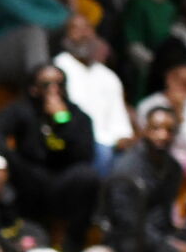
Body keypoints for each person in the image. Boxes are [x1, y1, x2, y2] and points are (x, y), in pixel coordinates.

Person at [0, 61, 101, 248]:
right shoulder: (22, 110)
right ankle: (10, 223)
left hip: (63, 180)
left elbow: (84, 154)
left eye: (59, 84)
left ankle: (73, 247)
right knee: (4, 157)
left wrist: (62, 120)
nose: (54, 90)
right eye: (47, 85)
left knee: (88, 176)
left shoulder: (77, 115)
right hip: (30, 179)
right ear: (33, 88)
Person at [101, 104, 186, 252]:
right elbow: (127, 220)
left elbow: (165, 212)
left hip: (158, 231)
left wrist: (174, 236)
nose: (163, 135)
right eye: (156, 129)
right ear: (145, 130)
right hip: (127, 236)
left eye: (169, 130)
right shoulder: (127, 168)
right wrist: (165, 242)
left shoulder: (174, 168)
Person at [54, 14, 131, 174]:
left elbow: (120, 121)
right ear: (65, 38)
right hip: (72, 138)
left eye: (87, 28)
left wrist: (123, 137)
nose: (83, 34)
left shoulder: (109, 76)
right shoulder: (59, 67)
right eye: (76, 29)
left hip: (108, 144)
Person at [123, 0, 179, 96]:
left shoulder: (171, 6)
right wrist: (155, 64)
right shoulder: (138, 4)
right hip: (146, 71)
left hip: (171, 69)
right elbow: (133, 45)